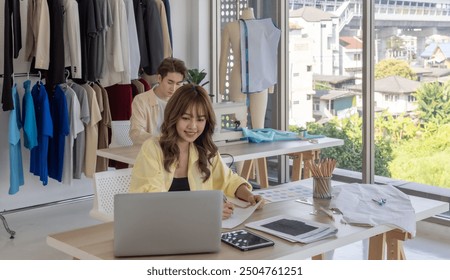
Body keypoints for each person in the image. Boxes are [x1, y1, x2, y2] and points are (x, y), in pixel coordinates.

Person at [129, 84, 264, 219]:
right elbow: (151, 201)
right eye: (186, 118)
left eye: (200, 119)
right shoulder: (152, 149)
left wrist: (250, 196)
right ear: (173, 116)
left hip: (199, 230)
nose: (193, 126)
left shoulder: (205, 150)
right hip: (160, 228)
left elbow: (228, 180)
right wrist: (205, 210)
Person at [129, 57, 187, 145]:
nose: (173, 88)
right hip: (148, 152)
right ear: (159, 78)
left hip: (176, 152)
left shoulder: (183, 102)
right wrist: (162, 141)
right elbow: (136, 134)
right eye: (170, 82)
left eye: (178, 83)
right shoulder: (141, 100)